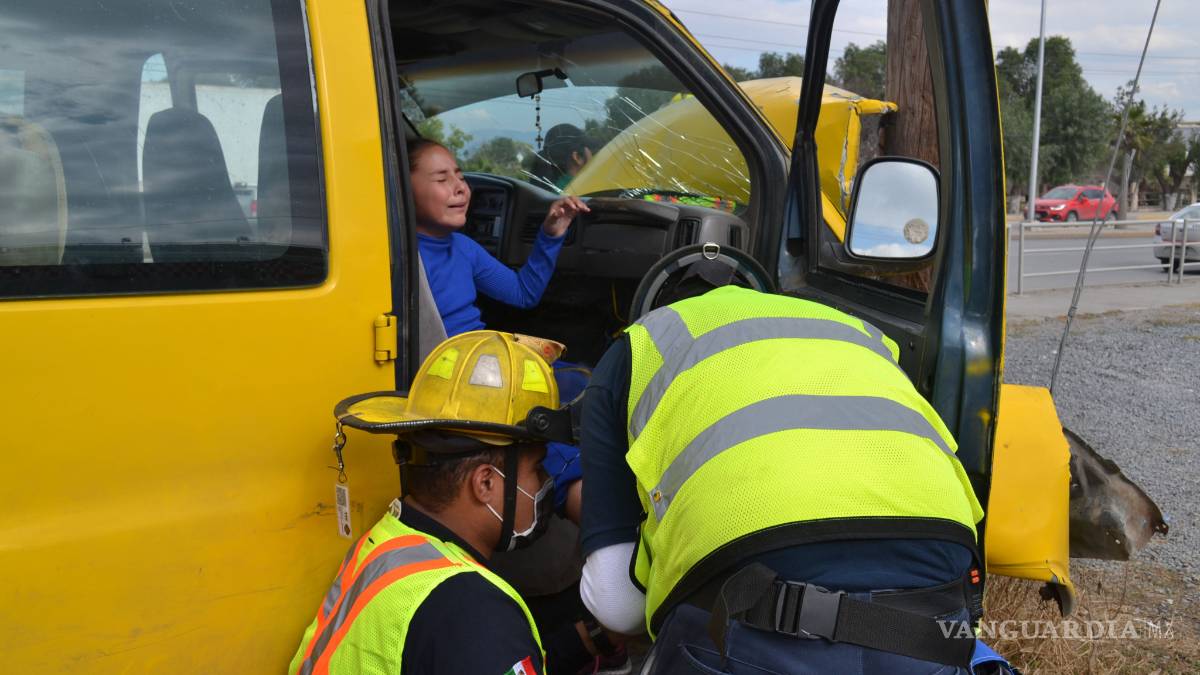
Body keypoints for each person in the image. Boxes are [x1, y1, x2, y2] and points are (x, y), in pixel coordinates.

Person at [576, 256, 1012, 673]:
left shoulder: (636, 349)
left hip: (752, 622)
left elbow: (617, 605)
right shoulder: (856, 332)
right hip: (938, 596)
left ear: (651, 305)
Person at [290, 331, 605, 675]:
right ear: (485, 482)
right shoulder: (473, 612)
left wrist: (594, 638)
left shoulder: (386, 547)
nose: (545, 482)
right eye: (536, 468)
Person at [409, 138, 589, 337]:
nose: (461, 188)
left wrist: (550, 234)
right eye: (442, 180)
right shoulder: (399, 260)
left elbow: (523, 294)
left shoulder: (463, 247)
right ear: (402, 189)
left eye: (460, 177)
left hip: (476, 354)